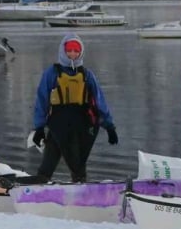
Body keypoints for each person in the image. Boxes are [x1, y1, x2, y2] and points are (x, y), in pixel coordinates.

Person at [30, 33, 117, 183]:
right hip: (58, 122)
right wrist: (39, 128)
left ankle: (79, 185)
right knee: (51, 155)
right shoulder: (51, 73)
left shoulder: (87, 75)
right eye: (69, 50)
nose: (72, 54)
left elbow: (99, 101)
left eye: (76, 51)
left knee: (78, 161)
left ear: (80, 52)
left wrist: (109, 127)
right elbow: (42, 100)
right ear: (63, 51)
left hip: (81, 125)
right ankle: (40, 183)